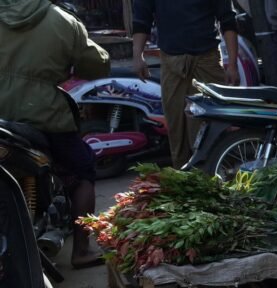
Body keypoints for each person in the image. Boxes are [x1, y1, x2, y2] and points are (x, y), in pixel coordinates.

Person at [0, 0, 110, 267]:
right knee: (83, 171)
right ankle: (82, 251)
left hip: (2, 119)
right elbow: (95, 64)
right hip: (44, 116)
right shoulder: (62, 20)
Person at [131, 0, 240, 168]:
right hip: (172, 63)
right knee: (176, 127)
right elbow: (141, 21)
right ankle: (184, 177)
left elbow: (228, 20)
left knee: (214, 126)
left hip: (207, 61)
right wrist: (138, 56)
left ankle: (220, 176)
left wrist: (232, 64)